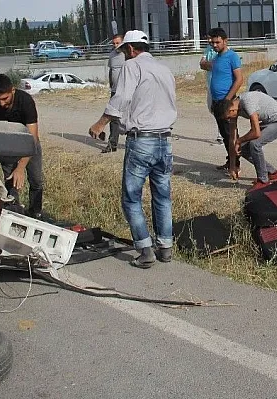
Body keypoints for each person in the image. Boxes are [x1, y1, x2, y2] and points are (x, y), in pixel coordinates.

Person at [88, 30, 177, 269]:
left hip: (142, 140)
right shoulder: (164, 69)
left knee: (131, 198)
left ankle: (145, 249)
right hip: (165, 140)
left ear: (129, 49)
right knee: (162, 196)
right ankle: (165, 248)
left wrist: (101, 122)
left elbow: (121, 98)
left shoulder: (132, 66)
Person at [0, 73, 45, 219]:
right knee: (10, 179)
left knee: (36, 180)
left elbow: (32, 139)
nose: (1, 104)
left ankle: (36, 213)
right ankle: (15, 212)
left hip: (29, 141)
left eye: (5, 99)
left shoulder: (25, 101)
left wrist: (20, 168)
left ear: (13, 90)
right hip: (8, 141)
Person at [217, 91, 277, 192]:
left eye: (228, 117)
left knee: (255, 144)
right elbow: (232, 139)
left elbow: (256, 133)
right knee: (242, 147)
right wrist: (233, 166)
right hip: (267, 123)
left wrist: (239, 140)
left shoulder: (247, 102)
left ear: (231, 110)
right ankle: (272, 173)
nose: (229, 120)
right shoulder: (234, 108)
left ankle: (263, 181)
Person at [200, 28, 243, 173]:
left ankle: (235, 165)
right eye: (212, 42)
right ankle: (230, 160)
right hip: (217, 102)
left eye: (217, 42)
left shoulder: (232, 56)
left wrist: (228, 99)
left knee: (231, 135)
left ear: (225, 41)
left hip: (227, 103)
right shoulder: (216, 58)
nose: (214, 45)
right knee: (225, 135)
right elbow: (204, 65)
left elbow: (239, 79)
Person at [103, 33, 125, 153]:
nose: (116, 45)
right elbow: (112, 71)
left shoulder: (127, 55)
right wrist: (111, 85)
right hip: (115, 91)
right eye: (114, 43)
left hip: (127, 91)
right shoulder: (112, 55)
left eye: (118, 43)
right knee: (113, 117)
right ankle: (112, 144)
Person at [201, 35, 223, 144]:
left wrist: (209, 64)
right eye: (208, 38)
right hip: (210, 85)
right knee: (211, 108)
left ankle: (222, 134)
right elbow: (202, 64)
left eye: (212, 39)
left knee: (221, 110)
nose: (210, 41)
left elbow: (218, 65)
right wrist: (209, 64)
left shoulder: (223, 52)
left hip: (220, 87)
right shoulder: (208, 50)